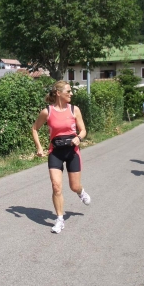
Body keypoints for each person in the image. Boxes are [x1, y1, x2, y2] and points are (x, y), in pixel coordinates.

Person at [31, 80, 91, 234]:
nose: (71, 94)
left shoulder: (74, 110)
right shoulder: (47, 112)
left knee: (74, 186)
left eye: (71, 91)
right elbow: (34, 129)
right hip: (55, 152)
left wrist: (79, 137)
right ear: (59, 93)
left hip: (72, 152)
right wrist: (39, 147)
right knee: (56, 186)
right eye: (68, 91)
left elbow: (83, 130)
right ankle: (59, 219)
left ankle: (80, 192)